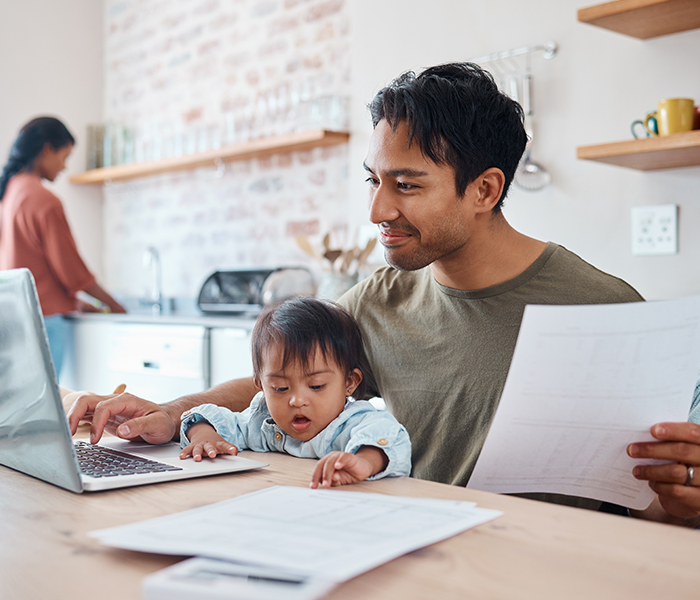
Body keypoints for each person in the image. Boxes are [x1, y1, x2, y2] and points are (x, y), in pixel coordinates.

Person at [68, 63, 700, 527]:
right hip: (397, 547)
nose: (377, 209)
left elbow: (660, 505)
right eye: (373, 179)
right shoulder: (379, 298)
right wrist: (174, 411)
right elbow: (289, 378)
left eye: (405, 183)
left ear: (484, 190)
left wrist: (683, 501)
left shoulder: (607, 309)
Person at [178, 296, 411, 488]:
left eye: (316, 386)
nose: (297, 401)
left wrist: (362, 462)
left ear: (349, 382)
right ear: (261, 385)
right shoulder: (264, 422)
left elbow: (388, 437)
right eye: (280, 388)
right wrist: (204, 437)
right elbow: (209, 417)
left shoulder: (353, 422)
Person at [0, 117, 126, 375]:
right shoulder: (44, 200)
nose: (64, 166)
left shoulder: (9, 193)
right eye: (64, 156)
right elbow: (72, 272)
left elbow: (30, 265)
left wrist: (74, 301)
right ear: (47, 149)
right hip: (45, 321)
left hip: (16, 315)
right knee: (55, 403)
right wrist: (114, 305)